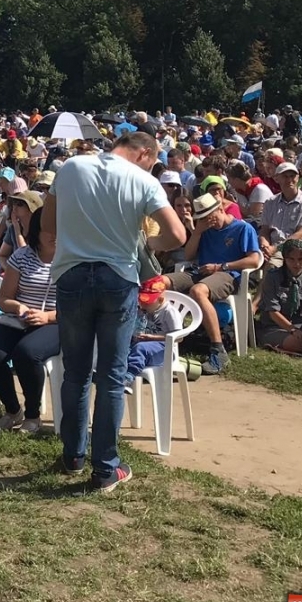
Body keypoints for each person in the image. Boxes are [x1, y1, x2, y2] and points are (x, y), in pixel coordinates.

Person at [44, 131, 186, 491]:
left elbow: (47, 228)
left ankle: (73, 455)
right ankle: (105, 467)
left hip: (72, 274)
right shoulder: (143, 180)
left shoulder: (70, 167)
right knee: (111, 374)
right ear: (145, 154)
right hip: (118, 278)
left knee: (74, 371)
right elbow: (177, 236)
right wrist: (148, 243)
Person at [0, 206, 59, 433]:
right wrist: (19, 306)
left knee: (27, 353)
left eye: (59, 229)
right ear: (36, 231)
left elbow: (77, 308)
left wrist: (47, 316)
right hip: (19, 319)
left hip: (56, 321)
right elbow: (4, 299)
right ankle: (13, 410)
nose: (55, 235)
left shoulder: (71, 260)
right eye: (49, 230)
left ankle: (33, 414)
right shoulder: (21, 256)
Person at [175, 191, 259, 372]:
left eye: (208, 216)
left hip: (228, 275)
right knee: (160, 282)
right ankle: (161, 341)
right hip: (200, 272)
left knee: (198, 291)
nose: (206, 220)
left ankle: (218, 349)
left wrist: (221, 267)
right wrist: (196, 232)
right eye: (202, 217)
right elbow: (189, 256)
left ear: (220, 208)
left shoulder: (243, 228)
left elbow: (254, 260)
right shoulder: (204, 230)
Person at [256, 240, 302, 351]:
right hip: (275, 326)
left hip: (301, 324)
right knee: (298, 344)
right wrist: (293, 330)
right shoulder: (273, 277)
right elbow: (273, 311)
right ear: (285, 259)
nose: (297, 264)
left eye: (301, 259)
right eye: (291, 259)